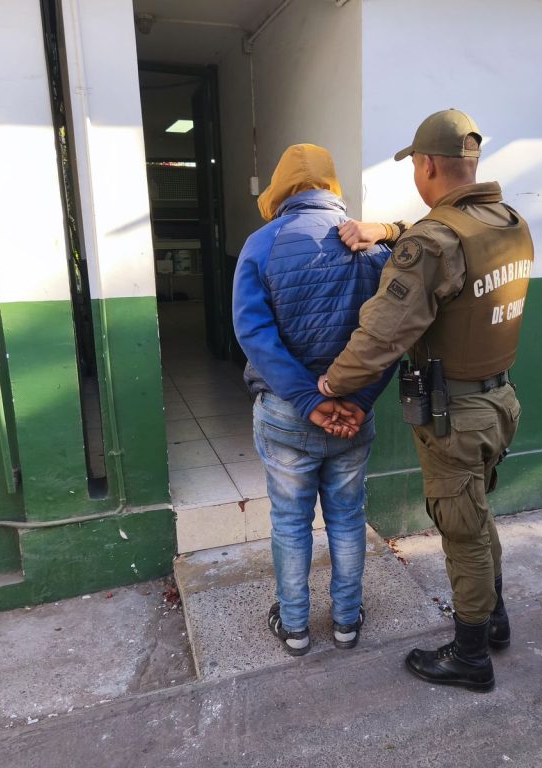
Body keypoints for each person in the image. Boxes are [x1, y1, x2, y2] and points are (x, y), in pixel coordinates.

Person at [317, 109, 534, 692]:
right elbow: (440, 238)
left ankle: (470, 656)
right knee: (476, 515)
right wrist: (389, 231)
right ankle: (494, 619)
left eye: (414, 163)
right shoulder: (507, 221)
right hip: (499, 401)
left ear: (428, 164)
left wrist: (332, 385)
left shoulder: (434, 242)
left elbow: (383, 334)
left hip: (454, 416)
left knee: (461, 531)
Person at [232, 143, 396, 657]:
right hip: (353, 418)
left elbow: (254, 334)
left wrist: (308, 400)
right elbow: (391, 336)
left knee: (289, 522)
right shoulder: (373, 247)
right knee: (347, 519)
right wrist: (359, 400)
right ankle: (347, 621)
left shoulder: (262, 244)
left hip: (286, 414)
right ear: (331, 185)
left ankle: (295, 626)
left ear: (281, 187)